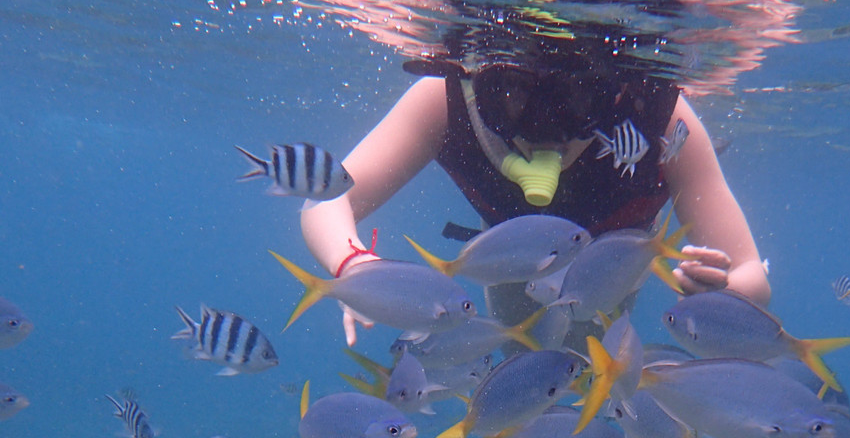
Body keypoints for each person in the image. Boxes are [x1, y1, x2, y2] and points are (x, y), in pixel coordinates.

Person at [299, 32, 771, 339]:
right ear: (476, 83)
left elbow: (752, 274)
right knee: (520, 358)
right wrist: (355, 266)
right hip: (508, 263)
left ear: (616, 91)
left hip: (616, 267)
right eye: (514, 94)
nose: (546, 126)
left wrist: (722, 291)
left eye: (577, 98)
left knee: (589, 365)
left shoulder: (662, 121)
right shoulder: (443, 99)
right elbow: (323, 202)